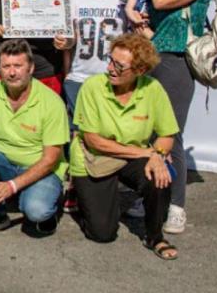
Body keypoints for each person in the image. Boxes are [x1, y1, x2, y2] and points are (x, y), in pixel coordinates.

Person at [129, 0, 212, 235]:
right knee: (148, 132)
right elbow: (160, 18)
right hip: (153, 58)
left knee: (171, 133)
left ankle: (176, 206)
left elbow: (163, 3)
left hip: (177, 61)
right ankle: (153, 196)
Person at [69, 33, 179, 260]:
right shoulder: (92, 87)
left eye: (119, 66)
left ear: (140, 70)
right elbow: (93, 140)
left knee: (161, 175)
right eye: (110, 60)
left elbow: (167, 134)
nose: (110, 68)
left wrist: (158, 155)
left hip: (131, 156)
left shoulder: (153, 88)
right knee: (102, 234)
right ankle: (82, 196)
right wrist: (147, 152)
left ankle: (155, 236)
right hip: (94, 157)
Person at [0, 40, 70, 238]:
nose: (12, 73)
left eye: (18, 66)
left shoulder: (52, 102)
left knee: (36, 211)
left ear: (31, 68)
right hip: (5, 161)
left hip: (41, 167)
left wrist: (12, 186)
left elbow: (50, 159)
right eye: (6, 66)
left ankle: (45, 204)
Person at [56, 0, 125, 121]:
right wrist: (64, 42)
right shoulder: (77, 1)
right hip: (79, 76)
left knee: (107, 125)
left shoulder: (122, 2)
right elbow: (71, 40)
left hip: (111, 77)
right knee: (80, 126)